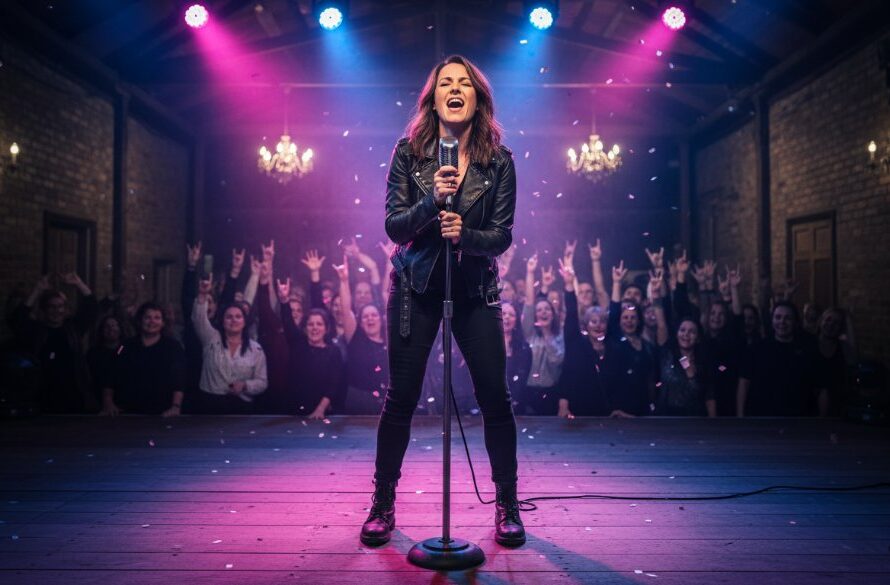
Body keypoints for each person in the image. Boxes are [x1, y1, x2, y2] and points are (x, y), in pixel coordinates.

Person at [361, 55, 523, 548]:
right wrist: (433, 202)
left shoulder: (500, 161)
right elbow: (393, 225)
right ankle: (382, 504)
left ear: (478, 97)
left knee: (495, 398)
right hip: (416, 288)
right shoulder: (410, 152)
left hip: (474, 291)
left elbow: (501, 235)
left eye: (464, 83)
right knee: (401, 398)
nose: (455, 89)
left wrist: (466, 234)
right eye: (445, 83)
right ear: (432, 98)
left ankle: (508, 505)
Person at [192, 274, 267, 414]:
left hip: (241, 408)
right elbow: (198, 319)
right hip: (210, 404)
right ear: (222, 321)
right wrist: (202, 294)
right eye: (229, 317)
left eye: (238, 317)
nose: (233, 320)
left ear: (245, 322)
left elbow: (262, 382)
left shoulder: (255, 349)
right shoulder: (211, 338)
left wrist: (245, 385)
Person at [100, 302, 186, 417]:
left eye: (157, 318)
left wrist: (176, 407)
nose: (152, 322)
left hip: (162, 414)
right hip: (127, 413)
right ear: (140, 320)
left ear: (163, 323)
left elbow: (179, 379)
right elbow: (110, 375)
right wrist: (108, 403)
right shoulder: (124, 346)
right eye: (147, 317)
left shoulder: (174, 347)